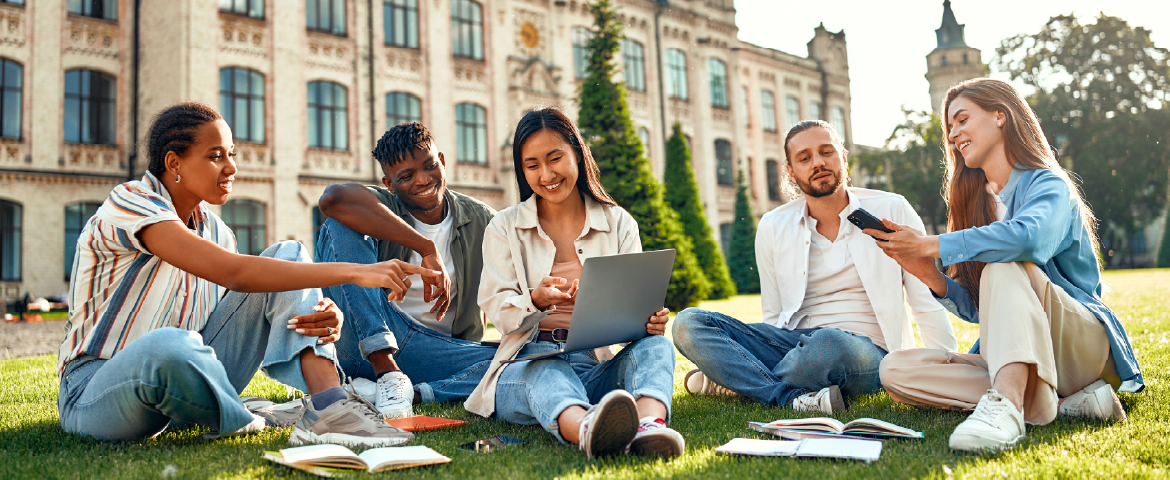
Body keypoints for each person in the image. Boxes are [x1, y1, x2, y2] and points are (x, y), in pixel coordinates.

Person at [57, 102, 430, 447]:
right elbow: (237, 274)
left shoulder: (217, 232)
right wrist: (356, 272)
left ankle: (329, 407)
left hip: (189, 377)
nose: (231, 167)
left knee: (290, 254)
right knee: (170, 345)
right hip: (95, 389)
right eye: (215, 156)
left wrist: (321, 312)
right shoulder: (131, 201)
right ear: (174, 163)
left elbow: (247, 302)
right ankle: (253, 417)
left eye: (231, 154)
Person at [873, 78, 1144, 453]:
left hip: (1079, 347)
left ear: (1000, 116)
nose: (953, 134)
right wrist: (928, 273)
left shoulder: (1048, 184)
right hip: (1025, 354)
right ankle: (1066, 405)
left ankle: (1008, 408)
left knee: (1002, 265)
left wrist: (930, 243)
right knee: (896, 370)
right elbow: (984, 309)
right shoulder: (975, 205)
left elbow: (1028, 240)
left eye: (962, 119)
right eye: (950, 127)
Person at [672, 120, 957, 413]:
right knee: (687, 323)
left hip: (866, 352)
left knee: (826, 345)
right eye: (804, 158)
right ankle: (787, 397)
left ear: (843, 158)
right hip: (792, 344)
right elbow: (773, 313)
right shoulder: (772, 225)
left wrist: (950, 371)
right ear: (792, 173)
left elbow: (925, 302)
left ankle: (736, 380)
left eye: (826, 152)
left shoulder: (892, 209)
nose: (817, 163)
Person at [465, 107, 683, 459]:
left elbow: (631, 325)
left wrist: (647, 323)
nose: (546, 174)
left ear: (578, 156)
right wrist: (535, 300)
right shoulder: (504, 227)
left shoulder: (618, 223)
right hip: (525, 363)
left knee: (658, 349)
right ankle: (587, 430)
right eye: (532, 165)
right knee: (547, 370)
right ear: (522, 171)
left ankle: (648, 428)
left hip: (594, 364)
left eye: (555, 159)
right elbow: (498, 315)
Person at [315, 123, 500, 418]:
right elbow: (333, 198)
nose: (423, 180)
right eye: (406, 176)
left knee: (525, 360)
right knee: (340, 223)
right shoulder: (380, 208)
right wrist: (427, 248)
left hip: (439, 351)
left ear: (442, 159)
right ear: (390, 184)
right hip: (366, 341)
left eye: (429, 166)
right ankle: (386, 372)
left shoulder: (484, 220)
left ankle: (410, 392)